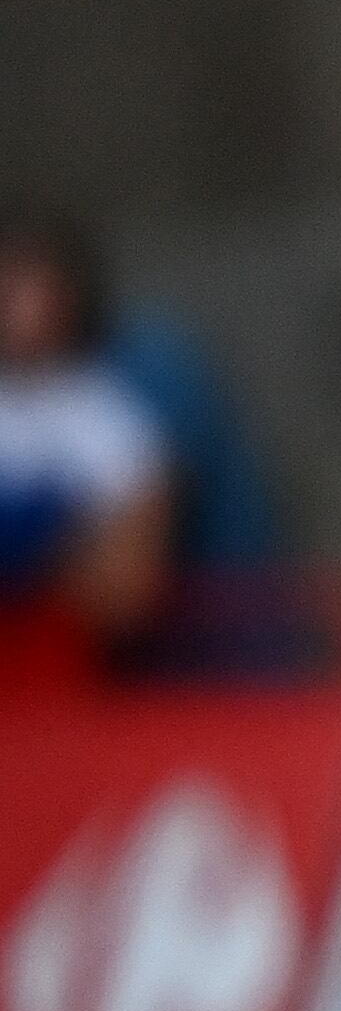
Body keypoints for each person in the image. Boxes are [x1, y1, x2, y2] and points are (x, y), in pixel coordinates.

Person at [0, 209, 174, 672]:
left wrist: (50, 550)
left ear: (67, 297)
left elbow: (125, 596)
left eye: (22, 280)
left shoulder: (106, 419)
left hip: (57, 666)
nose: (6, 297)